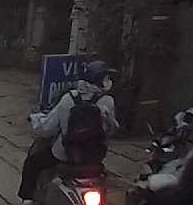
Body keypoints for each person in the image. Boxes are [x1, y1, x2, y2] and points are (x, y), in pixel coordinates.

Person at [18, 60, 119, 205]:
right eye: (106, 78)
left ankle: (27, 199)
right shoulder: (107, 101)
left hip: (65, 155)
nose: (109, 81)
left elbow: (47, 129)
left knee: (33, 162)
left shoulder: (68, 99)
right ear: (99, 80)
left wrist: (36, 118)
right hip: (94, 157)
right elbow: (111, 130)